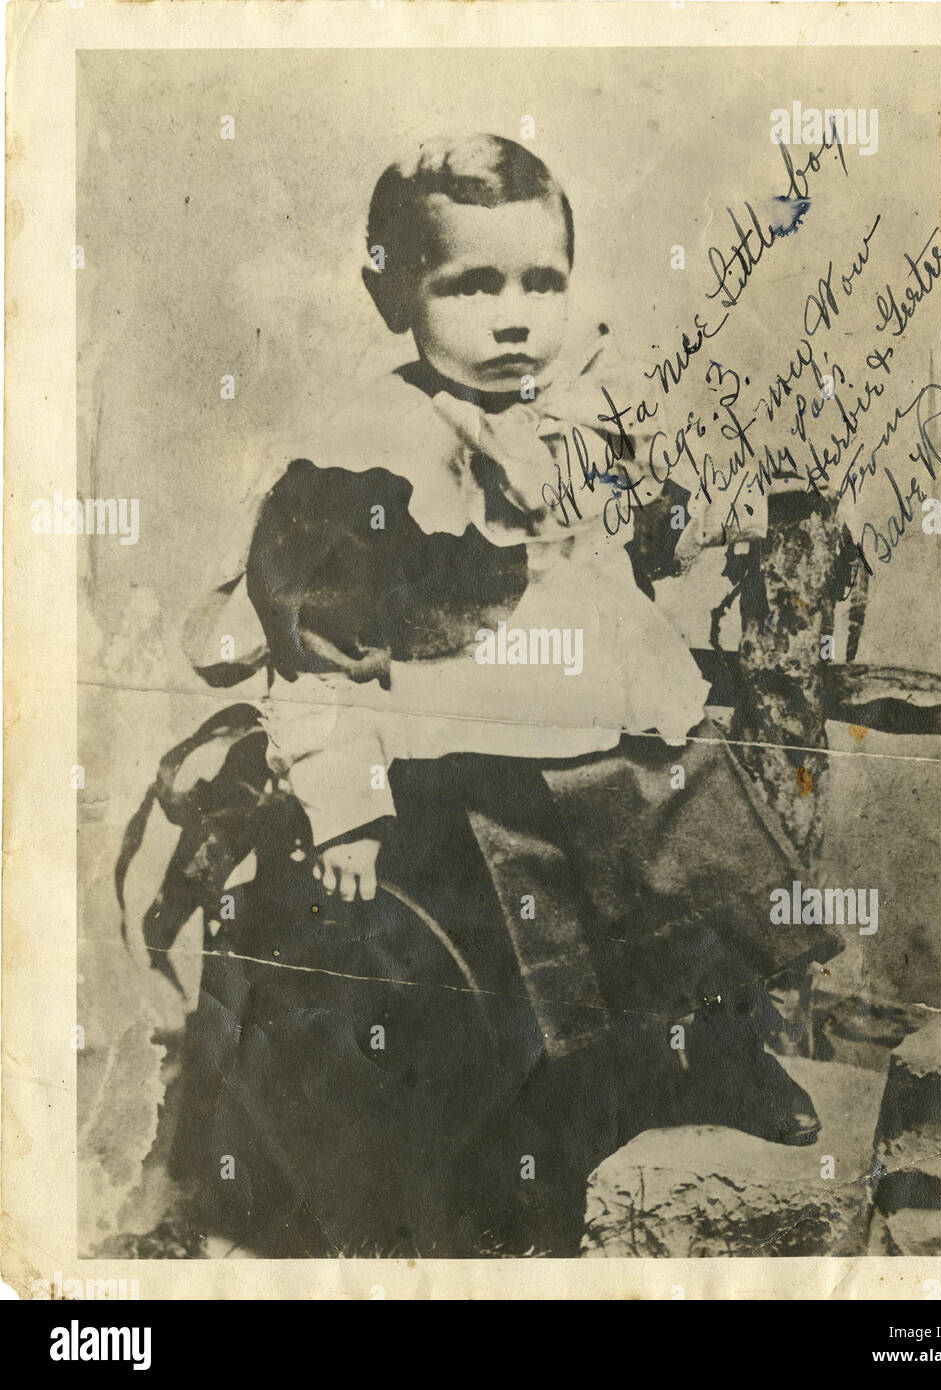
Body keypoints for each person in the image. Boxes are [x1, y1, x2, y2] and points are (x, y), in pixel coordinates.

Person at [124, 134, 840, 1257]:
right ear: (391, 292)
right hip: (462, 747)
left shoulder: (572, 412)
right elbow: (309, 653)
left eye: (541, 282)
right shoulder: (365, 458)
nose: (514, 319)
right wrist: (346, 803)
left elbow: (628, 542)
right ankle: (517, 1144)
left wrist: (692, 526)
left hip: (605, 719)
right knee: (517, 935)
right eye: (470, 285)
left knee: (702, 840)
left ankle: (715, 1044)